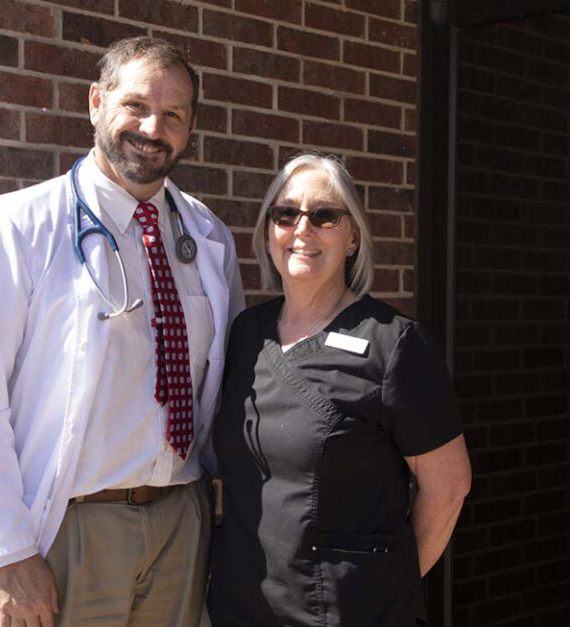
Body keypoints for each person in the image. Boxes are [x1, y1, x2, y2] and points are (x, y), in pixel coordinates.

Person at [0, 37, 244, 627]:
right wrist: (6, 554)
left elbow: (220, 388)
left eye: (173, 115)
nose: (153, 128)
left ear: (190, 127)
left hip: (179, 525)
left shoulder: (207, 236)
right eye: (135, 106)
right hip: (67, 531)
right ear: (96, 103)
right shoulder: (15, 227)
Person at [206, 153, 471, 626]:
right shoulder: (247, 333)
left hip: (350, 612)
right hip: (239, 607)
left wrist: (388, 583)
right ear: (269, 232)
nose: (302, 229)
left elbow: (449, 487)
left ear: (352, 238)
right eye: (286, 214)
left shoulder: (393, 344)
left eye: (324, 215)